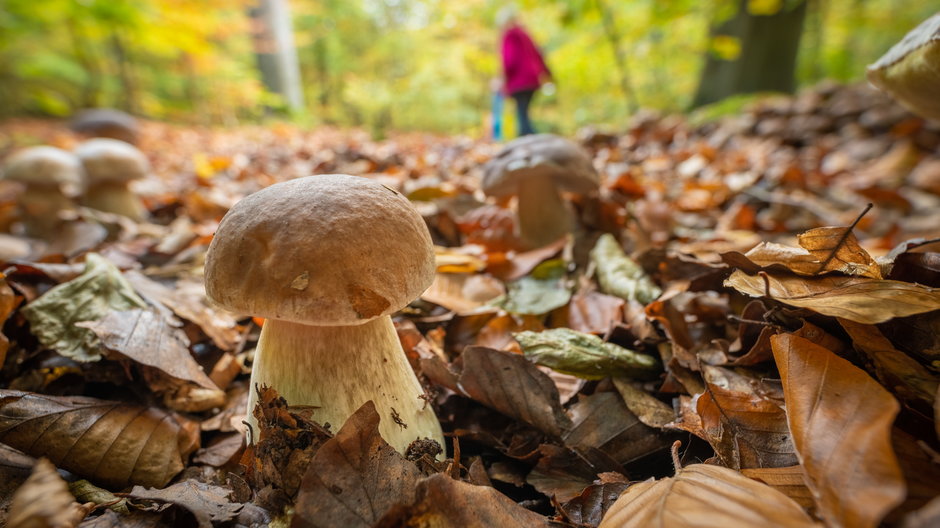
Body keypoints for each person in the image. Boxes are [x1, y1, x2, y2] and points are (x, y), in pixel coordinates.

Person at [498, 7, 551, 137]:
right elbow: (539, 54)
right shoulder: (525, 34)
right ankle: (530, 138)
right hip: (532, 78)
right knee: (524, 111)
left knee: (522, 112)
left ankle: (528, 140)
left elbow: (509, 61)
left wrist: (503, 80)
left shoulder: (509, 35)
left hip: (518, 81)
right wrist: (547, 73)